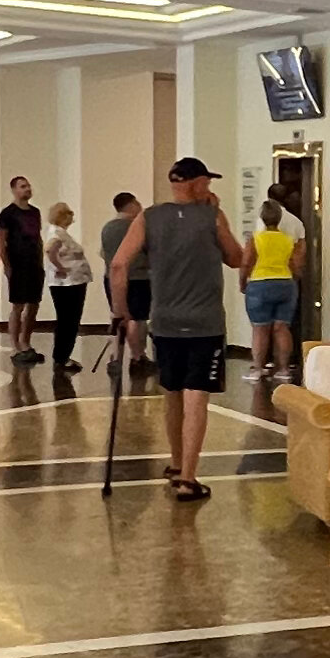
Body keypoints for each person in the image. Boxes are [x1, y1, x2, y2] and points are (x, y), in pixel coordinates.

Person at [132, 157, 252, 500]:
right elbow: (236, 258)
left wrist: (121, 308)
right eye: (207, 182)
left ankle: (176, 463)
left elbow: (120, 263)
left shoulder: (149, 217)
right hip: (204, 323)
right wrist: (218, 218)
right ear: (196, 183)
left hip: (165, 322)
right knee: (196, 397)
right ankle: (188, 477)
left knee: (172, 393)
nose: (209, 188)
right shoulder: (212, 216)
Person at [243, 193, 307, 383]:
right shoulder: (287, 240)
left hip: (260, 283)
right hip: (285, 283)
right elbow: (295, 262)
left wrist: (242, 281)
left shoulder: (256, 239)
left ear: (262, 218)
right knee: (282, 328)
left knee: (260, 329)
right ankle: (284, 369)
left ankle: (258, 369)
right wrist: (295, 277)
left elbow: (246, 262)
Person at [96, 188, 146, 381]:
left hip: (112, 278)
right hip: (138, 277)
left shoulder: (107, 228)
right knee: (136, 319)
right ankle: (137, 357)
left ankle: (115, 358)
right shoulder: (136, 227)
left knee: (117, 317)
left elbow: (103, 253)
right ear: (131, 205)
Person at [0, 179, 44, 376]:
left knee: (33, 304)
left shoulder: (35, 212)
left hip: (34, 264)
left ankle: (26, 341)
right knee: (18, 305)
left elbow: (38, 238)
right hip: (17, 264)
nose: (27, 189)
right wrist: (7, 265)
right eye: (23, 186)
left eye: (28, 186)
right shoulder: (7, 214)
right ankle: (15, 344)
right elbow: (1, 241)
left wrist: (41, 261)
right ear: (14, 190)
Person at [42, 192, 91, 376]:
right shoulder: (58, 234)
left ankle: (62, 355)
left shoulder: (58, 232)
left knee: (66, 320)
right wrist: (60, 267)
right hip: (68, 283)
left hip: (69, 282)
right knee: (69, 320)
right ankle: (62, 356)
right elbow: (50, 250)